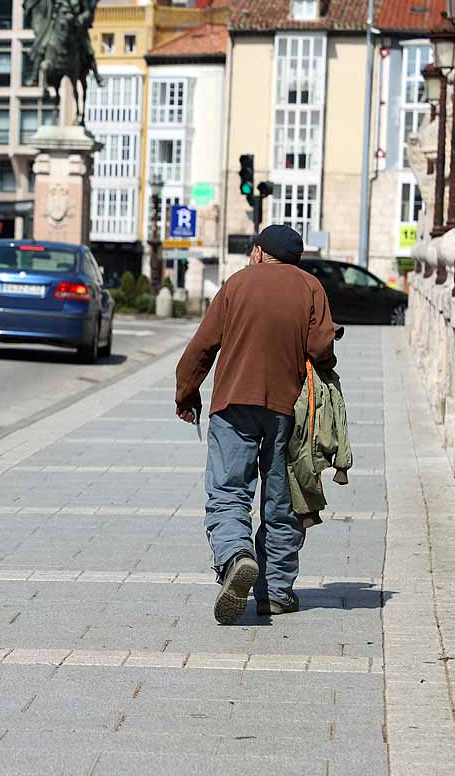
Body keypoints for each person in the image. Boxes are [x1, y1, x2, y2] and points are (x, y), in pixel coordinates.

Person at [174, 225, 337, 625]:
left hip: (233, 403)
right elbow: (321, 348)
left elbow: (203, 345)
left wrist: (186, 392)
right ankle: (276, 593)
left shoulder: (236, 285)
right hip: (286, 409)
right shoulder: (311, 287)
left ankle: (236, 557)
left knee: (229, 490)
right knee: (281, 501)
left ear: (260, 252)